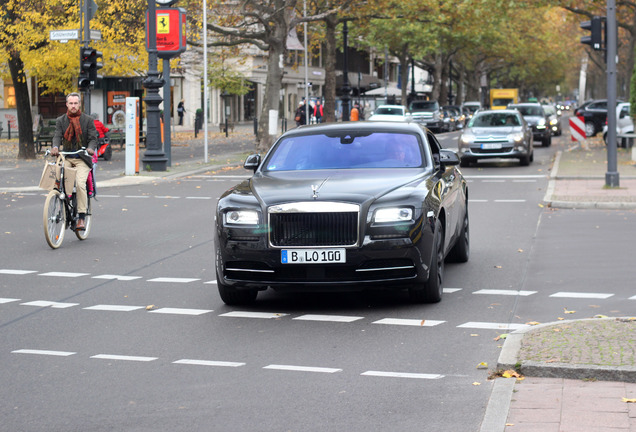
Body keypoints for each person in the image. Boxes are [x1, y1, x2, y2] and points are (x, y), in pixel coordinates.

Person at [51, 92, 98, 231]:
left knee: (80, 183)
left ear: (79, 104)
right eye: (70, 103)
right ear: (66, 104)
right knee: (59, 182)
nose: (73, 106)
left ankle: (81, 216)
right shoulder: (61, 120)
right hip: (66, 157)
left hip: (82, 158)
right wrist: (55, 147)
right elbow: (57, 136)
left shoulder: (87, 120)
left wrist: (90, 148)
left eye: (75, 103)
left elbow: (93, 139)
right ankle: (64, 209)